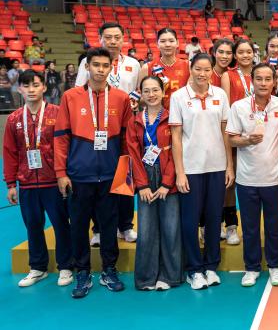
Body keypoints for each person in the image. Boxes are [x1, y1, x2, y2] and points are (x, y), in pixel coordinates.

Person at [55, 47, 133, 298]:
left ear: (111, 68)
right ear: (87, 67)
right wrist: (61, 172)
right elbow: (60, 138)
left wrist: (124, 173)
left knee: (109, 225)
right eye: (96, 65)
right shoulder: (70, 97)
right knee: (78, 226)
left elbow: (126, 140)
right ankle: (82, 272)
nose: (100, 70)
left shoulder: (121, 98)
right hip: (79, 176)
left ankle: (109, 269)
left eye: (105, 65)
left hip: (110, 175)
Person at [169, 53, 234, 290]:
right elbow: (176, 137)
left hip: (217, 167)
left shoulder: (220, 94)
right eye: (198, 69)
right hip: (192, 168)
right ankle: (194, 270)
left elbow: (226, 132)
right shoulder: (178, 97)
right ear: (190, 68)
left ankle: (210, 267)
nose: (202, 74)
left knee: (214, 218)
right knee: (190, 221)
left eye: (207, 70)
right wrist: (180, 172)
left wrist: (229, 165)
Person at [4, 70, 73, 288]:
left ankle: (66, 266)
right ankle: (38, 267)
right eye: (26, 86)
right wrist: (10, 184)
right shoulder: (14, 118)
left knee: (61, 225)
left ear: (44, 87)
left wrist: (65, 175)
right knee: (33, 226)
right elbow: (10, 152)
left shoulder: (58, 112)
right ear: (20, 89)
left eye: (35, 85)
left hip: (53, 182)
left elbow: (66, 147)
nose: (31, 90)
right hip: (26, 183)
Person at [76, 23, 140, 247]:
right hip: (95, 128)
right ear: (100, 39)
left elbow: (141, 93)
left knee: (124, 176)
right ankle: (99, 229)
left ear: (124, 39)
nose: (113, 41)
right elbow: (79, 93)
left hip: (125, 126)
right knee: (98, 180)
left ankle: (126, 226)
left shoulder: (133, 64)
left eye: (117, 37)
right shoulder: (90, 62)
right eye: (108, 37)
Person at [226, 63, 278, 287]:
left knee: (273, 226)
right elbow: (231, 139)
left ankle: (275, 266)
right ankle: (251, 268)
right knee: (250, 227)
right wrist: (247, 140)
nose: (263, 83)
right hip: (247, 178)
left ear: (274, 81)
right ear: (252, 81)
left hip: (273, 178)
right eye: (258, 79)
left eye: (267, 79)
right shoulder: (239, 106)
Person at [127, 75, 182, 291]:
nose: (151, 95)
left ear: (163, 92)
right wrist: (142, 185)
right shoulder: (135, 121)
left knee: (171, 228)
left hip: (169, 178)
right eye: (146, 91)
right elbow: (132, 153)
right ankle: (146, 278)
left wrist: (167, 183)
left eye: (155, 90)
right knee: (147, 229)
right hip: (145, 177)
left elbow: (177, 151)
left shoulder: (172, 118)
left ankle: (170, 276)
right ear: (141, 94)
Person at [220, 38, 256, 244]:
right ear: (235, 55)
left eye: (248, 52)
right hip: (236, 131)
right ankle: (231, 225)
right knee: (230, 180)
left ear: (253, 54)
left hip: (258, 132)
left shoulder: (261, 71)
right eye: (240, 52)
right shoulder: (229, 75)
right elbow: (227, 108)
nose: (244, 55)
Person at [138, 28, 190, 109]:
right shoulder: (147, 68)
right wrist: (157, 92)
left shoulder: (188, 65)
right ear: (157, 44)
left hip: (182, 116)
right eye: (162, 41)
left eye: (171, 41)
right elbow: (140, 101)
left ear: (177, 43)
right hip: (157, 118)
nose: (167, 44)